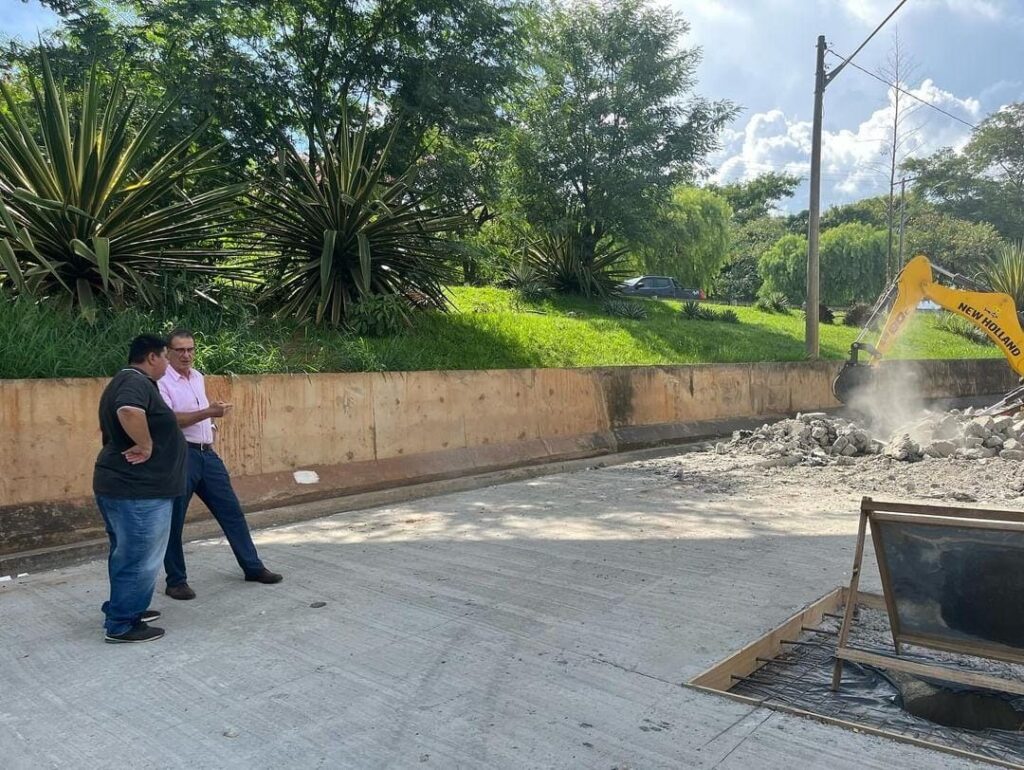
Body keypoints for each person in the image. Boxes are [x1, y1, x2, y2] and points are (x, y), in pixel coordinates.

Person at [158, 329, 282, 599]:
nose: (186, 355)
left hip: (207, 454)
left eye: (190, 349)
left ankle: (252, 566)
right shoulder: (162, 381)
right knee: (174, 520)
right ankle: (176, 581)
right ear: (167, 352)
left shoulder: (197, 376)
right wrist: (208, 412)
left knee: (231, 511)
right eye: (180, 350)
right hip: (181, 455)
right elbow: (170, 420)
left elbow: (198, 413)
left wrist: (210, 421)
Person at [94, 334, 186, 643]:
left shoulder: (127, 380)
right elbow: (129, 411)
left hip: (126, 487)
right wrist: (146, 445)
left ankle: (125, 607)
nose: (167, 364)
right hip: (138, 491)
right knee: (140, 556)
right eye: (165, 357)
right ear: (152, 357)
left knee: (126, 554)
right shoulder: (135, 382)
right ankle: (122, 623)